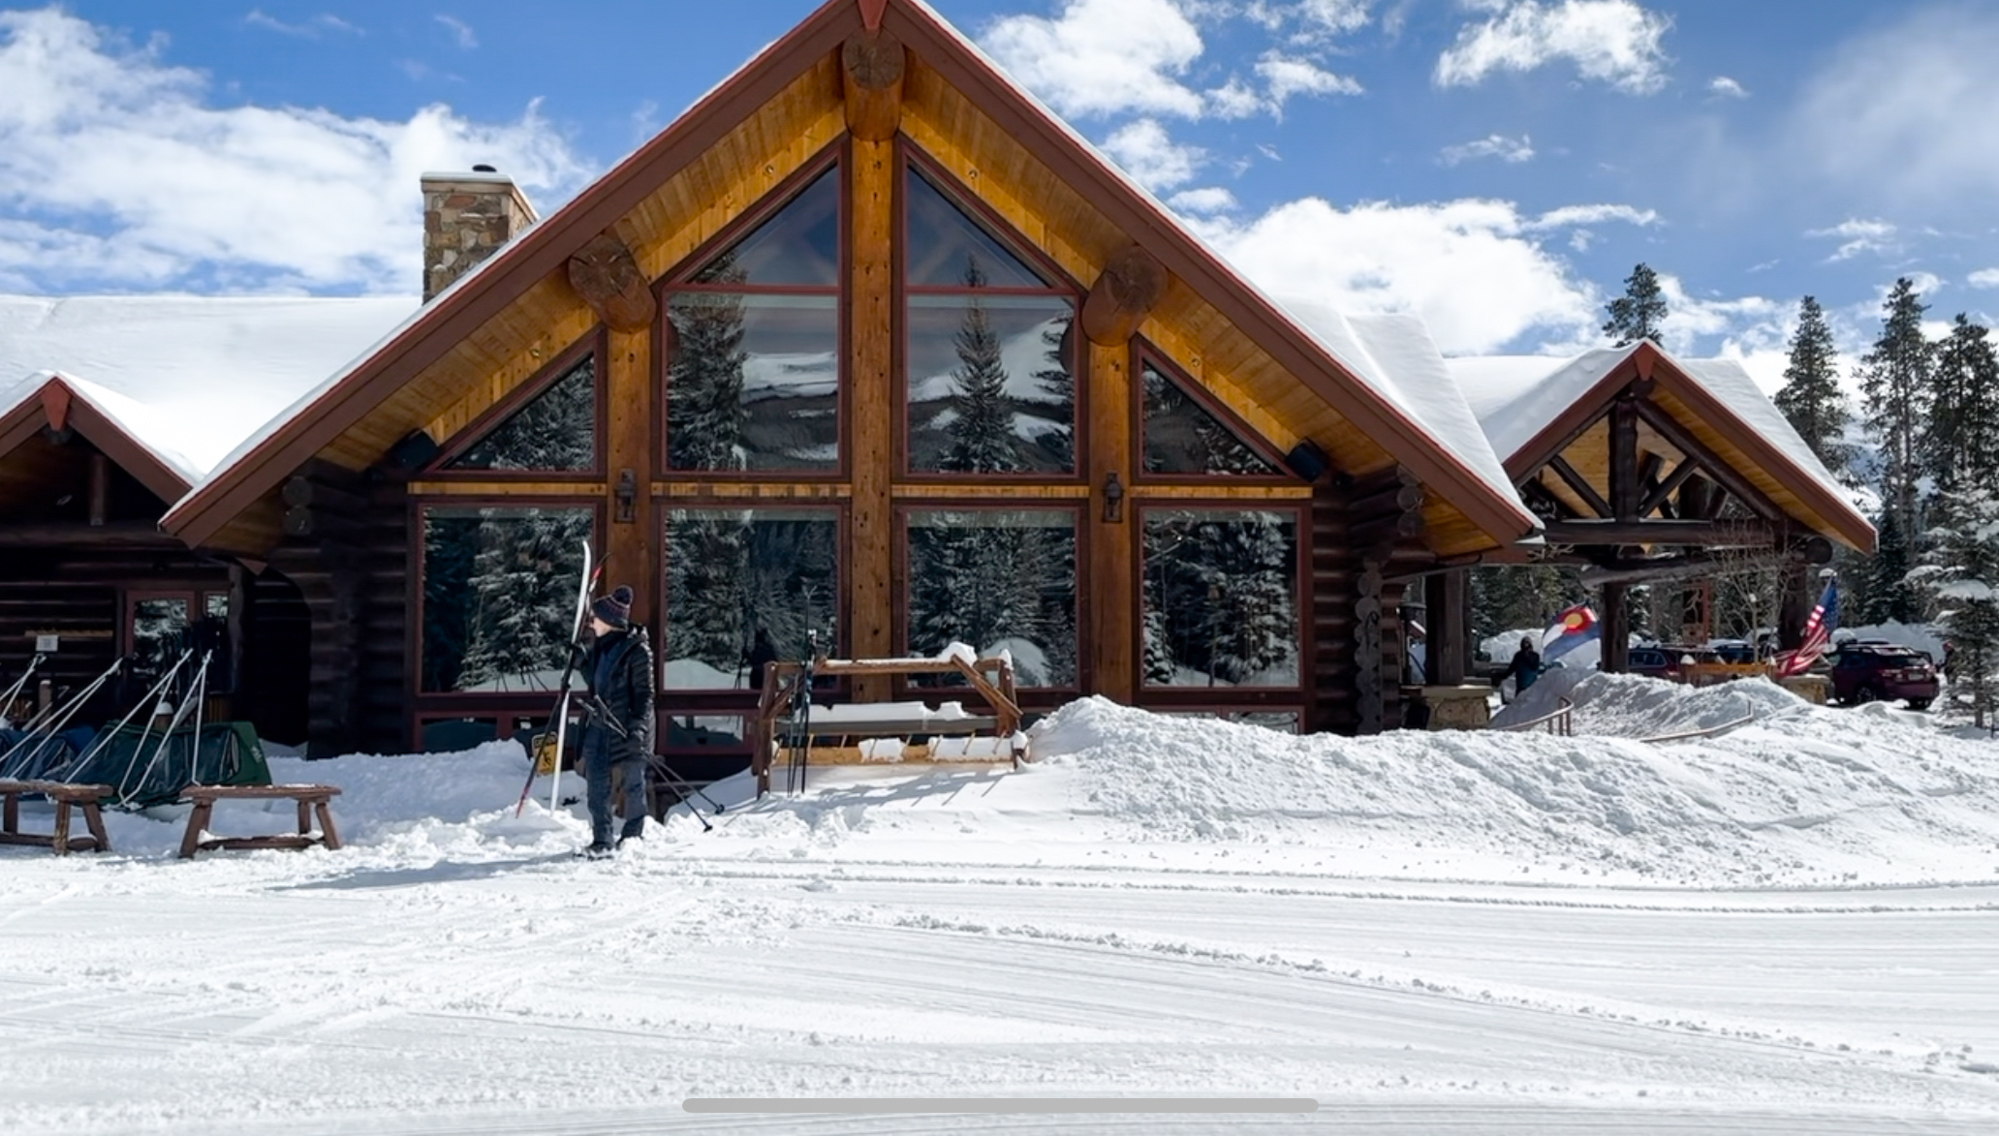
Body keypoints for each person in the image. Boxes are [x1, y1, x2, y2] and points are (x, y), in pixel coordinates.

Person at [580, 585, 655, 859]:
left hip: (629, 726)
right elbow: (598, 683)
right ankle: (602, 839)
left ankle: (632, 836)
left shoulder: (637, 650)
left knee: (633, 783)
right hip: (600, 723)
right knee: (596, 783)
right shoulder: (600, 647)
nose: (591, 623)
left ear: (609, 621)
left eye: (595, 618)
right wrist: (581, 662)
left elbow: (644, 694)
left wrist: (638, 728)